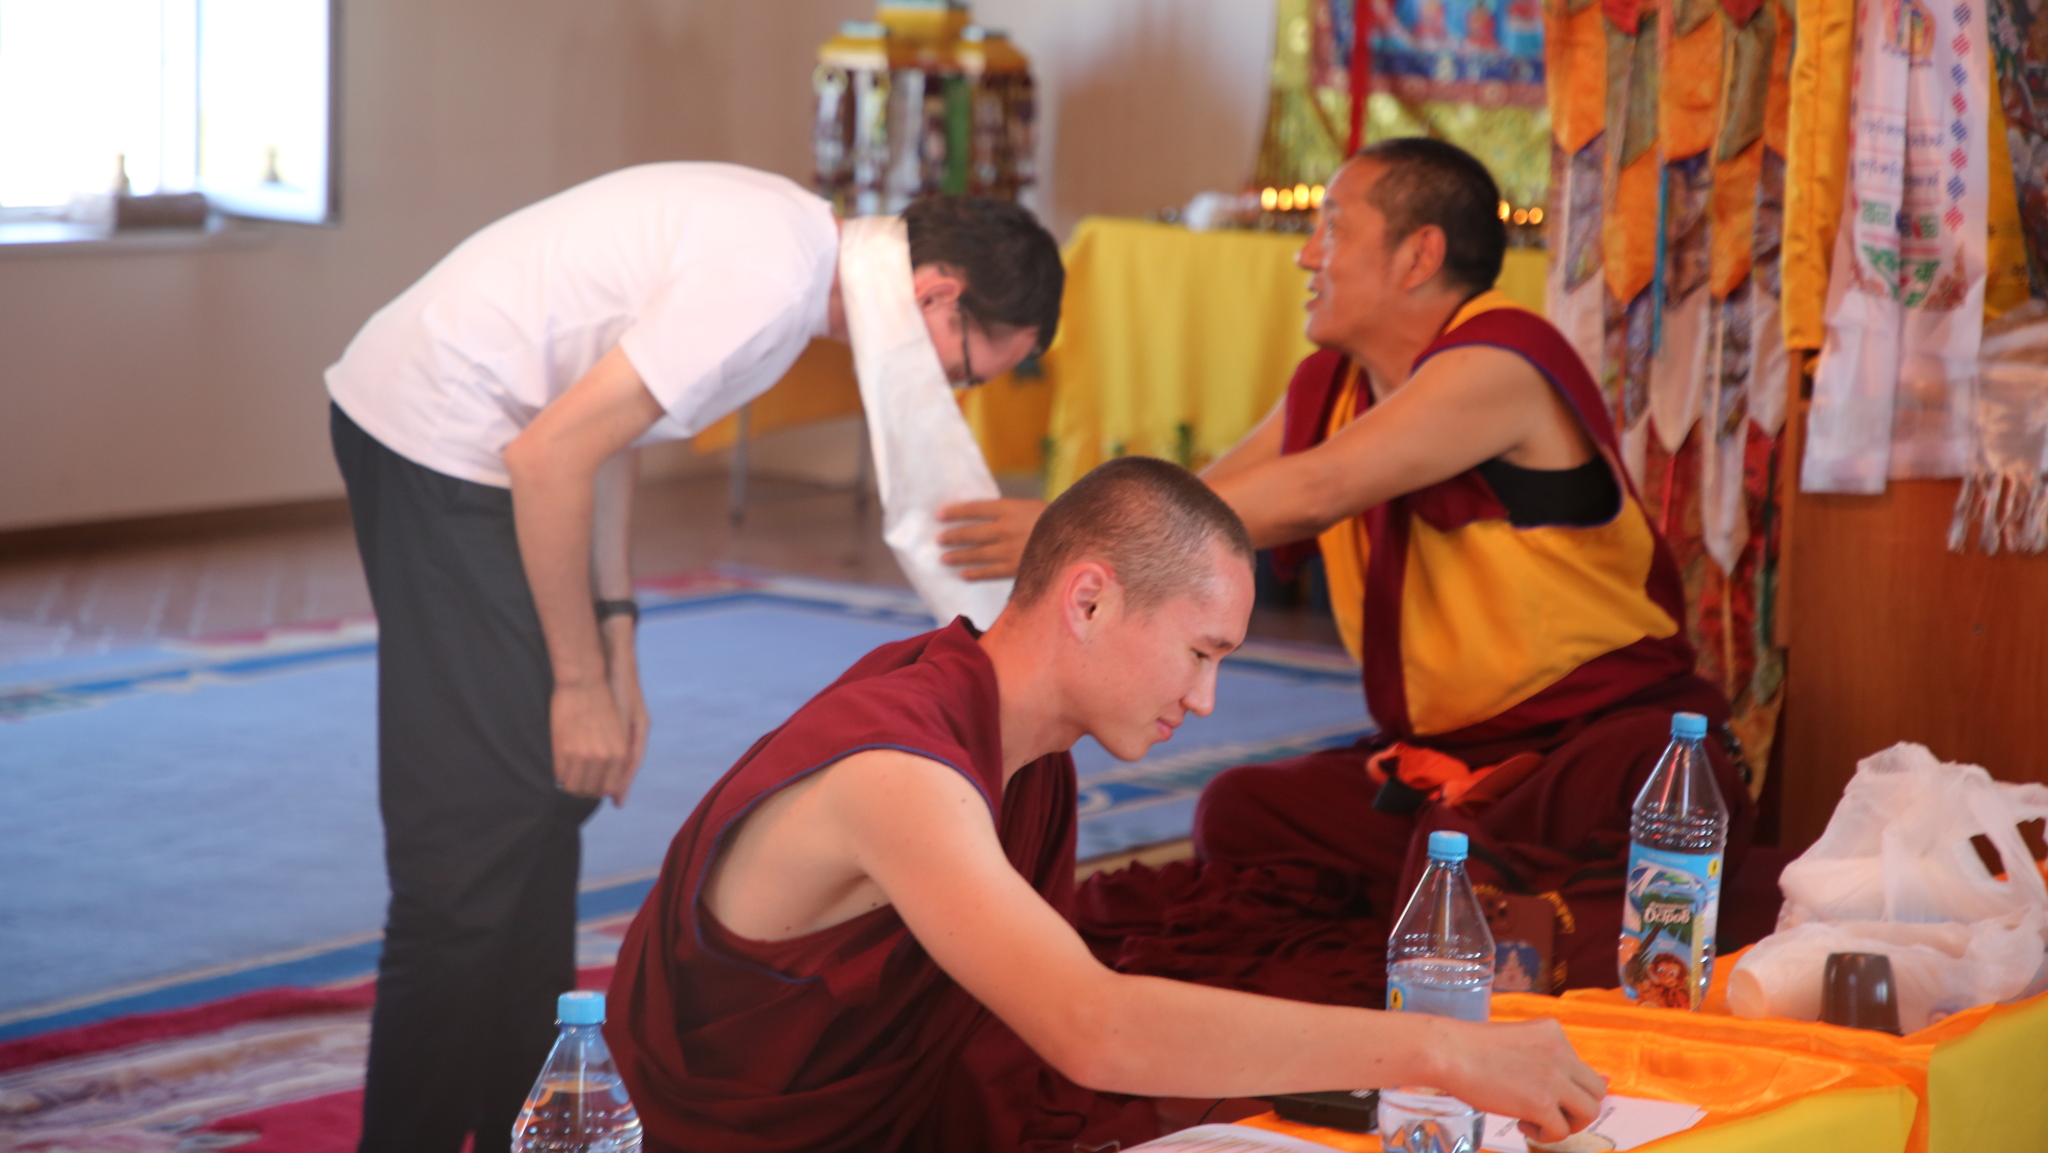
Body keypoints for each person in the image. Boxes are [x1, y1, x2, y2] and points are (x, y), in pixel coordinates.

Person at [324, 164, 1056, 1153]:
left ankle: (524, 1131)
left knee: (546, 805)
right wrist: (577, 684)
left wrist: (615, 638)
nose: (949, 393)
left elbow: (605, 434)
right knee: (466, 858)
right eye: (965, 369)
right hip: (440, 439)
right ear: (937, 295)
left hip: (497, 450)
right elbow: (550, 455)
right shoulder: (766, 279)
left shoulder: (794, 266)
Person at [936, 139, 1758, 1002]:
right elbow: (1203, 505)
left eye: (1332, 227)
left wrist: (1068, 526)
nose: (1304, 252)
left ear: (1419, 254)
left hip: (1592, 754)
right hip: (1444, 758)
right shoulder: (1331, 384)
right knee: (1243, 812)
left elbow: (1315, 488)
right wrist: (1092, 542)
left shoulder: (1504, 361)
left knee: (1461, 900)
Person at [606, 458, 1605, 1153]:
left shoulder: (1032, 757)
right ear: (1086, 600)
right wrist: (1439, 1051)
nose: (1205, 698)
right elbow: (1091, 1026)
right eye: (1199, 652)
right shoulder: (899, 771)